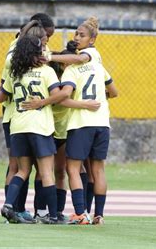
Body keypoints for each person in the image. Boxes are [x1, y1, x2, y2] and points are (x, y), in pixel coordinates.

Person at [28, 17, 118, 225]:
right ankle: (99, 215)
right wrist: (100, 98)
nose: (77, 37)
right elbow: (114, 92)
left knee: (73, 169)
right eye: (76, 34)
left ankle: (80, 213)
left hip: (81, 123)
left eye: (81, 35)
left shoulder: (73, 68)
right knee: (98, 169)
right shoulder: (99, 65)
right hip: (103, 121)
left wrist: (49, 58)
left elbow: (64, 95)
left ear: (92, 40)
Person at [0, 34, 69, 224]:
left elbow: (3, 94)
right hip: (40, 126)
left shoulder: (15, 73)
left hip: (18, 125)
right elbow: (58, 95)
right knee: (46, 172)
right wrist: (42, 102)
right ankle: (53, 216)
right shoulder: (46, 72)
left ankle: (8, 205)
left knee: (22, 171)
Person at [0, 19, 49, 223]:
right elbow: (2, 91)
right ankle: (18, 210)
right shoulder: (18, 58)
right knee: (21, 167)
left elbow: (1, 91)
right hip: (20, 117)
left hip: (17, 118)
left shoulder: (18, 54)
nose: (46, 46)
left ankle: (16, 209)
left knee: (21, 167)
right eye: (45, 41)